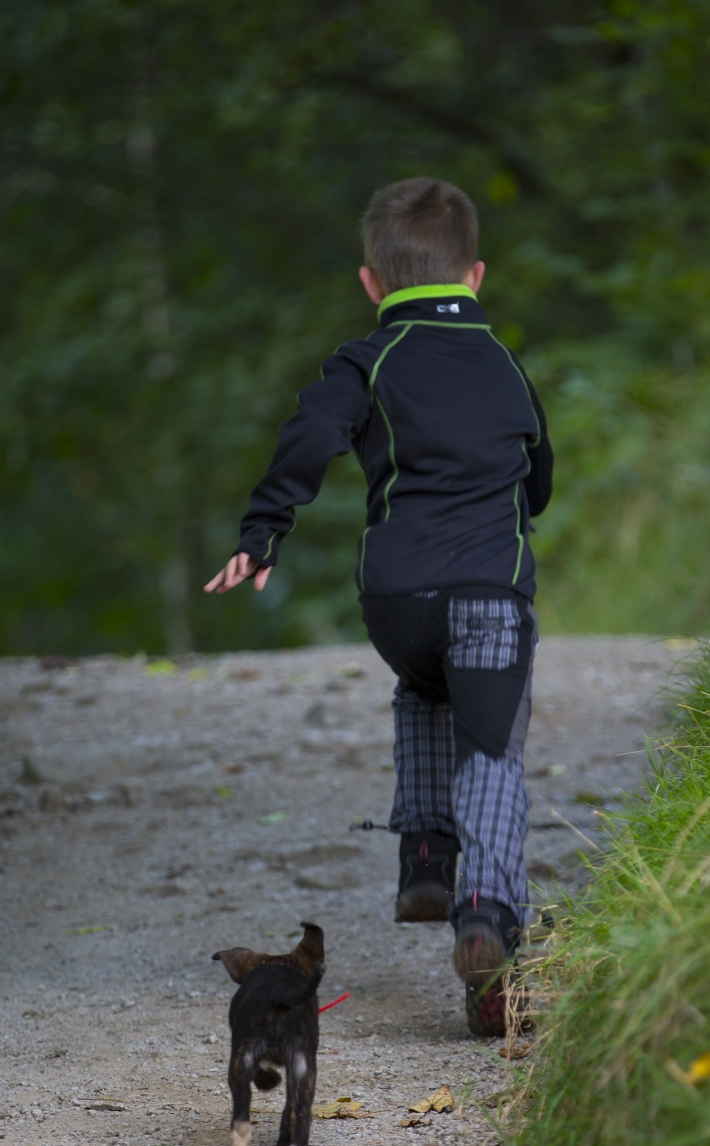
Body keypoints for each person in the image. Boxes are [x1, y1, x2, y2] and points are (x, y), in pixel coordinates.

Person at [205, 176, 552, 1037]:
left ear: (372, 283)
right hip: (490, 597)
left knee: (422, 685)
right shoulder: (506, 363)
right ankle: (485, 915)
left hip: (397, 602)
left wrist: (264, 531)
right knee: (494, 752)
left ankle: (427, 854)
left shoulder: (369, 359)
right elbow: (538, 479)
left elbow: (313, 432)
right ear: (475, 276)